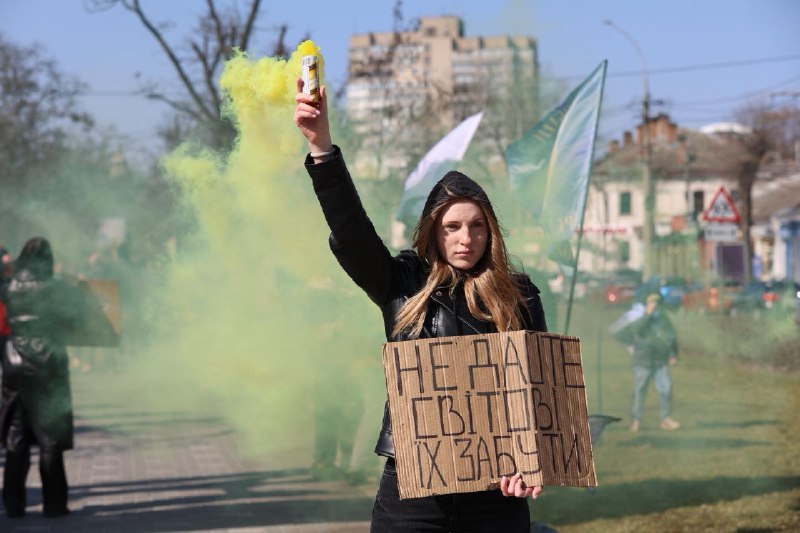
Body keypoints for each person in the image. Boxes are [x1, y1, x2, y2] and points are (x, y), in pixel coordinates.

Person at [295, 81, 548, 532]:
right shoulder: (401, 283)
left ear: (491, 231)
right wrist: (322, 148)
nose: (466, 238)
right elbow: (352, 232)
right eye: (452, 227)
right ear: (433, 231)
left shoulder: (520, 295)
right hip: (414, 495)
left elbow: (539, 389)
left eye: (477, 226)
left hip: (496, 495)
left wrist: (531, 460)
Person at [0, 238, 83, 518]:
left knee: (16, 436)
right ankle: (54, 504)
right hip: (47, 364)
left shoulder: (7, 287)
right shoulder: (57, 288)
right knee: (50, 439)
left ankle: (13, 503)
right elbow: (76, 321)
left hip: (13, 362)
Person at [626, 292, 680, 432]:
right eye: (651, 302)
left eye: (657, 303)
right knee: (640, 391)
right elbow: (636, 330)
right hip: (643, 361)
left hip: (660, 361)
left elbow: (671, 337)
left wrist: (673, 355)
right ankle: (636, 420)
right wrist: (647, 315)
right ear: (647, 304)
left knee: (666, 389)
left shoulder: (664, 320)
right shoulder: (640, 318)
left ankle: (665, 419)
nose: (654, 305)